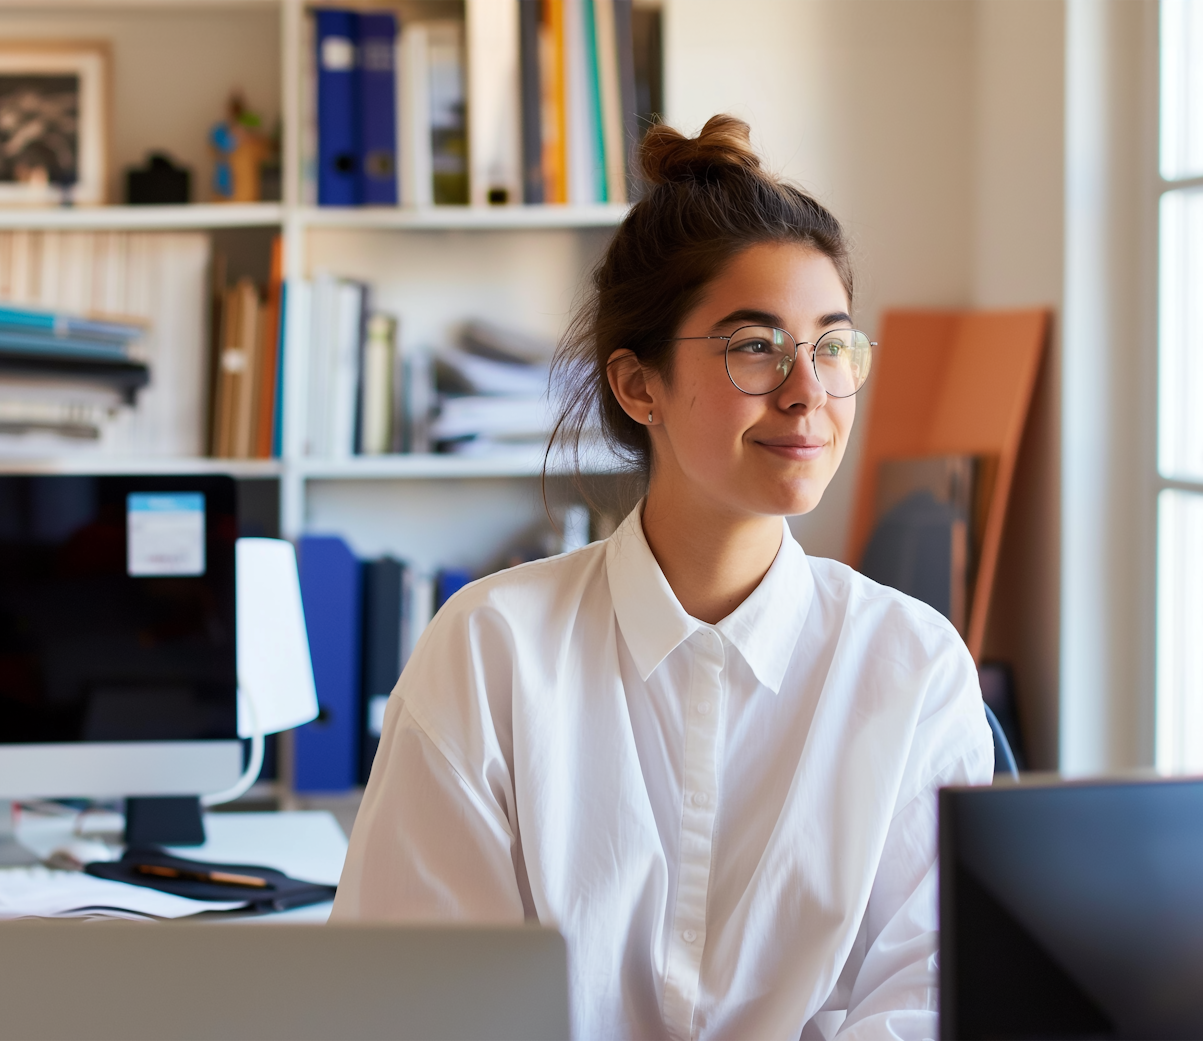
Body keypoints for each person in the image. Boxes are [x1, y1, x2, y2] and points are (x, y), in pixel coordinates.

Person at [331, 115, 993, 1041]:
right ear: (639, 387)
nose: (807, 391)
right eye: (755, 346)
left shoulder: (912, 667)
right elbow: (412, 998)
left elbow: (927, 1000)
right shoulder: (491, 650)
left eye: (833, 346)